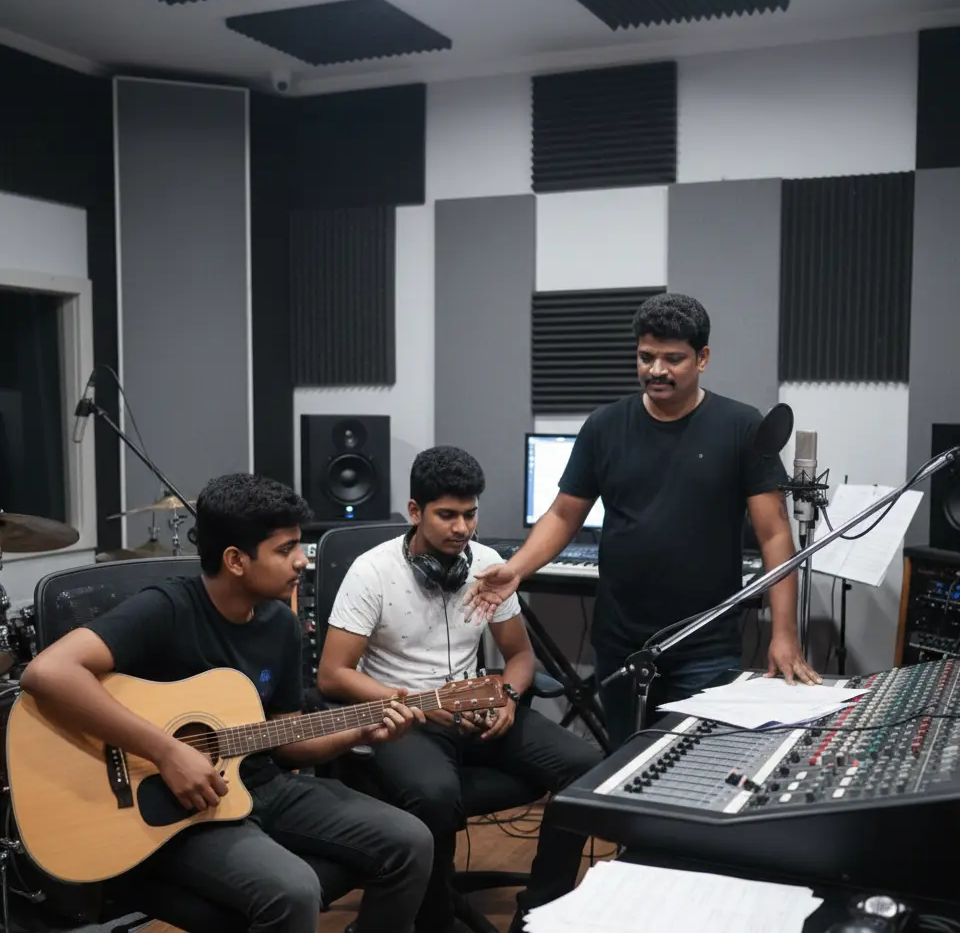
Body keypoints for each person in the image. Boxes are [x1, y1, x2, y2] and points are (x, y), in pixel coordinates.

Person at [19, 473, 434, 933]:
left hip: (261, 785)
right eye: (285, 549)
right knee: (293, 890)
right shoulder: (166, 608)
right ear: (236, 560)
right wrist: (167, 751)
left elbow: (286, 741)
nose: (301, 560)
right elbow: (46, 672)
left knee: (411, 840)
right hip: (175, 808)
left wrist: (358, 731)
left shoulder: (282, 624)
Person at [464, 292, 821, 749]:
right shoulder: (605, 426)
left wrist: (784, 633)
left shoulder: (741, 426)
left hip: (706, 645)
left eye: (673, 359)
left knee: (694, 764)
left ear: (703, 358)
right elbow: (564, 513)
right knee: (625, 762)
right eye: (646, 357)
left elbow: (774, 534)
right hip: (622, 644)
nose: (656, 370)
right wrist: (517, 569)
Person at [318, 446, 602, 933]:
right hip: (406, 718)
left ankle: (539, 909)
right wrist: (420, 703)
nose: (462, 528)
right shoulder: (372, 571)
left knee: (587, 768)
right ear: (415, 511)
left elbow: (520, 657)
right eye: (447, 515)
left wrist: (509, 697)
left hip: (476, 711)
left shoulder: (488, 564)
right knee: (434, 795)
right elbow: (332, 674)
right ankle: (433, 919)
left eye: (470, 515)